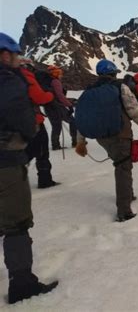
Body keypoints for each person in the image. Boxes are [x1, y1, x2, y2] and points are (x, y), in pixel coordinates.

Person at [0, 32, 58, 304]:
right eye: (13, 54)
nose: (17, 60)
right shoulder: (9, 81)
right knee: (16, 222)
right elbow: (24, 120)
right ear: (4, 54)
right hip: (6, 162)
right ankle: (22, 283)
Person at [75, 59, 138, 222]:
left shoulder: (88, 92)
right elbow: (134, 109)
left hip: (102, 137)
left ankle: (129, 194)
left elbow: (82, 117)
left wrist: (80, 141)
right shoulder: (120, 87)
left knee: (122, 164)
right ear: (113, 73)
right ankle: (124, 210)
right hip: (120, 133)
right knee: (123, 167)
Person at [19, 59, 58, 188]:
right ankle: (45, 179)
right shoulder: (27, 77)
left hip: (16, 122)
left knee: (25, 149)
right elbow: (39, 97)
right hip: (33, 120)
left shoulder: (9, 77)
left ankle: (11, 176)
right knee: (41, 150)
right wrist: (50, 95)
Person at [40, 65, 77, 150]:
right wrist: (69, 105)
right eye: (59, 73)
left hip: (48, 107)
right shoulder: (55, 82)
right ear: (55, 73)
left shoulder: (47, 82)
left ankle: (55, 145)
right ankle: (75, 142)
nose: (61, 75)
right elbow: (60, 95)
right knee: (73, 121)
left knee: (56, 126)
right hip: (57, 107)